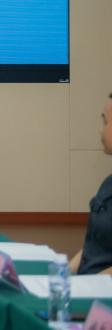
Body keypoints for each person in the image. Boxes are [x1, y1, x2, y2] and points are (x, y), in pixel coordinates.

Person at [70, 92, 112, 275]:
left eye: (106, 122)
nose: (100, 130)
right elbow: (92, 249)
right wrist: (63, 274)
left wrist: (86, 286)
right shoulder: (108, 184)